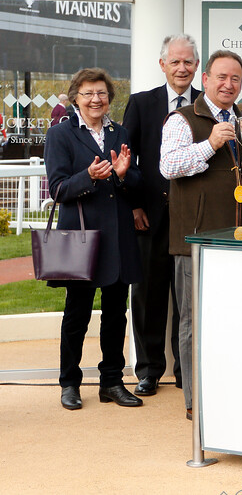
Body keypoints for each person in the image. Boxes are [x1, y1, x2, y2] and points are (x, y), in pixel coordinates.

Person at [160, 50, 242, 419]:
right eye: (221, 78)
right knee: (193, 321)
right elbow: (168, 166)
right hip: (197, 240)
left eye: (236, 79)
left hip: (241, 240)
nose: (229, 85)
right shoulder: (181, 118)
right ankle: (196, 401)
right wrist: (210, 143)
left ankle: (234, 391)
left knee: (240, 317)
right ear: (205, 79)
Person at [44, 68, 143, 410]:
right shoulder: (60, 134)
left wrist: (124, 173)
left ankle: (111, 382)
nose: (95, 99)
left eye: (101, 93)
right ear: (75, 98)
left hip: (117, 237)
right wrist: (86, 176)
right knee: (77, 314)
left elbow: (135, 181)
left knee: (116, 314)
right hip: (81, 238)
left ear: (109, 97)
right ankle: (69, 383)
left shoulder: (120, 132)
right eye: (87, 93)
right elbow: (57, 188)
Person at [123, 34, 200, 397]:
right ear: (163, 65)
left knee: (188, 298)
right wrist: (135, 204)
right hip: (149, 215)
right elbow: (127, 160)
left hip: (193, 217)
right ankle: (150, 369)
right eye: (175, 61)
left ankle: (185, 369)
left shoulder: (207, 103)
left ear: (197, 66)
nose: (182, 68)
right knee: (148, 293)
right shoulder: (141, 104)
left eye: (188, 62)